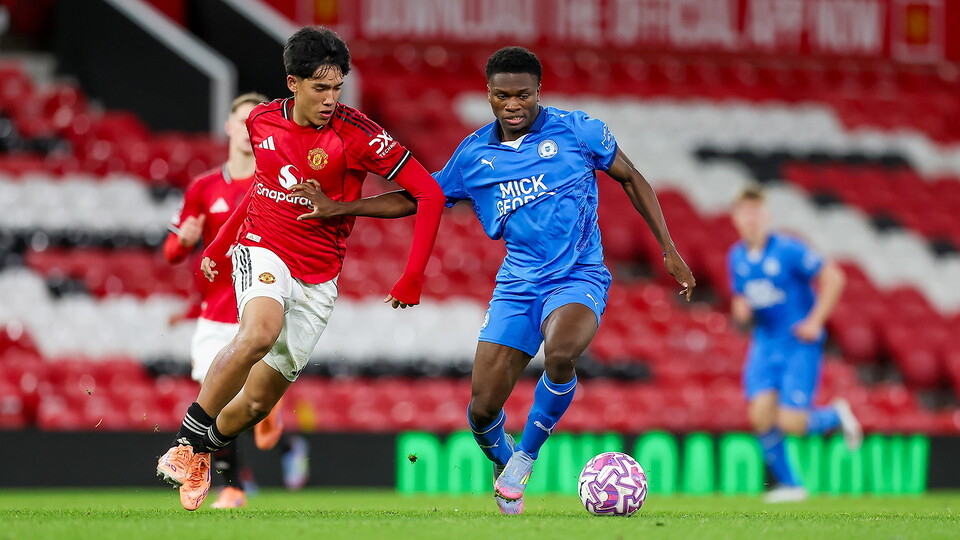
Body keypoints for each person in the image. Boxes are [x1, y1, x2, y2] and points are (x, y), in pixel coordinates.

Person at [291, 46, 696, 515]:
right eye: (503, 96)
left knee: (561, 353)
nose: (513, 105)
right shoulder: (474, 155)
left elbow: (632, 178)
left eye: (523, 95)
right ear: (488, 94)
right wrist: (342, 209)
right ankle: (506, 469)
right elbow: (422, 198)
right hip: (518, 284)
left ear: (538, 91)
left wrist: (668, 248)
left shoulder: (578, 131)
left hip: (578, 275)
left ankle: (525, 456)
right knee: (482, 410)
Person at [155, 26, 445, 511]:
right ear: (292, 83)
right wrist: (222, 245)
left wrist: (408, 269)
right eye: (320, 87)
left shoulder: (358, 135)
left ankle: (203, 451)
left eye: (338, 87)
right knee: (258, 332)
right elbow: (259, 192)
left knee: (256, 404)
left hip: (320, 273)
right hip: (263, 246)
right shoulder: (262, 121)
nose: (332, 98)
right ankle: (186, 443)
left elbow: (428, 194)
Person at [162, 92, 311, 508]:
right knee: (214, 398)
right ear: (228, 127)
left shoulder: (277, 184)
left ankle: (276, 444)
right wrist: (183, 243)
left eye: (255, 122)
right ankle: (234, 485)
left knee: (243, 403)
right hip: (215, 313)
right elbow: (172, 251)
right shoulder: (203, 187)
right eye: (241, 121)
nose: (248, 131)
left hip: (258, 312)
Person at [727, 184, 862, 503]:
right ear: (735, 218)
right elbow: (740, 301)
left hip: (798, 345)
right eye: (745, 213)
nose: (751, 219)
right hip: (764, 343)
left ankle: (835, 416)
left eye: (756, 212)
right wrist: (741, 310)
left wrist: (815, 321)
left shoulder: (789, 249)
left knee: (791, 423)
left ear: (767, 216)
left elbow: (835, 277)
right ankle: (792, 485)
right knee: (760, 415)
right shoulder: (735, 257)